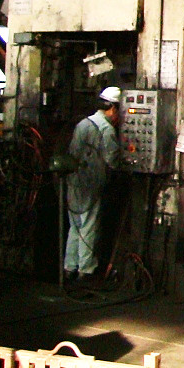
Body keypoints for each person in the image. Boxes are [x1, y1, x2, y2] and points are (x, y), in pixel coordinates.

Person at [64, 86, 122, 282]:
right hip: (91, 184)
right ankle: (86, 270)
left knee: (75, 226)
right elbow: (112, 161)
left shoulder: (82, 124)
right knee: (89, 226)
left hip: (74, 182)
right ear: (113, 108)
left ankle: (69, 267)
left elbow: (73, 152)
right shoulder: (106, 130)